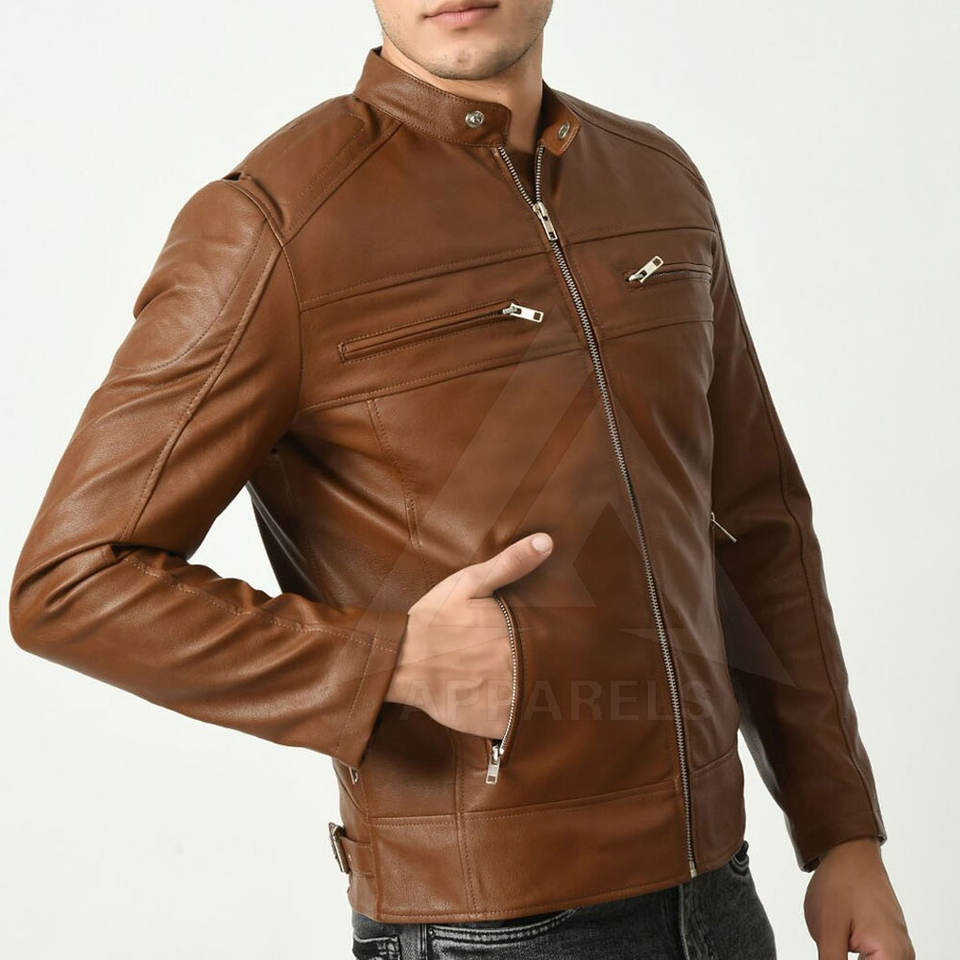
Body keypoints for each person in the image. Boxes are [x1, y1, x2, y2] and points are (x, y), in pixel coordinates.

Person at [9, 1, 915, 957]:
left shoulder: (657, 182)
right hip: (487, 925)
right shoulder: (275, 223)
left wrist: (841, 832)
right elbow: (71, 580)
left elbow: (756, 520)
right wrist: (390, 661)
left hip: (720, 896)